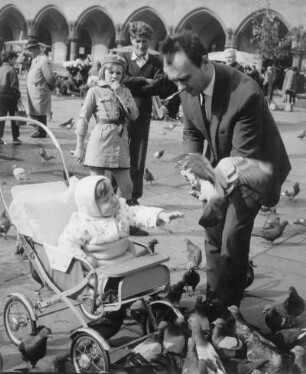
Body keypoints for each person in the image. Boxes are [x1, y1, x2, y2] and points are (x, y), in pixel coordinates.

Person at [160, 30, 291, 308]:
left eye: (184, 79)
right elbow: (191, 132)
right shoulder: (187, 87)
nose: (180, 87)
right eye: (175, 81)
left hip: (255, 167)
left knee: (232, 237)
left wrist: (213, 187)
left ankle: (227, 308)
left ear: (205, 62)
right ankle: (214, 293)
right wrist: (193, 167)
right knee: (212, 228)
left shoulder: (245, 94)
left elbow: (239, 158)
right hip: (222, 161)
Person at [58, 175, 183, 337]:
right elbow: (66, 243)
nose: (113, 200)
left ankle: (150, 310)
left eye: (112, 194)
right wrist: (83, 257)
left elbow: (137, 213)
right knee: (117, 293)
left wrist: (159, 216)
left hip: (128, 262)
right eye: (105, 200)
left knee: (146, 277)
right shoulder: (83, 224)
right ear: (91, 207)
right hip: (104, 269)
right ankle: (106, 324)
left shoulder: (120, 212)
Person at [73, 54, 138, 202]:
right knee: (97, 187)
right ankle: (97, 220)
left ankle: (120, 215)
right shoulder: (94, 91)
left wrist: (119, 93)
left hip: (120, 143)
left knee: (127, 187)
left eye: (118, 73)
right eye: (111, 72)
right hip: (100, 142)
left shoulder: (126, 92)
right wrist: (79, 147)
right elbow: (83, 118)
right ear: (103, 72)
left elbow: (134, 115)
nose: (114, 76)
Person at [120, 21, 165, 207]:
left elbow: (159, 85)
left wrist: (132, 83)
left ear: (150, 41)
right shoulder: (123, 59)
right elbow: (120, 79)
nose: (141, 45)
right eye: (137, 41)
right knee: (119, 153)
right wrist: (143, 80)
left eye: (145, 41)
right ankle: (114, 192)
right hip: (122, 112)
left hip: (144, 113)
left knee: (138, 155)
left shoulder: (156, 61)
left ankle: (134, 196)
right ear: (132, 39)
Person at [26, 38, 56, 138]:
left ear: (37, 48)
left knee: (40, 113)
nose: (30, 52)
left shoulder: (43, 60)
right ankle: (38, 130)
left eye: (31, 49)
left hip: (40, 91)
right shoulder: (36, 59)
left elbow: (50, 77)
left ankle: (41, 132)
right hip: (35, 91)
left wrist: (50, 88)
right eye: (29, 49)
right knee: (35, 112)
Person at [0, 50, 22, 145]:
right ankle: (16, 137)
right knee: (15, 117)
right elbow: (14, 85)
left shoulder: (1, 68)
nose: (15, 61)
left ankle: (0, 137)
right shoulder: (11, 69)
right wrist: (18, 96)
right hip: (11, 97)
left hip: (1, 97)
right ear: (10, 59)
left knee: (1, 117)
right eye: (14, 59)